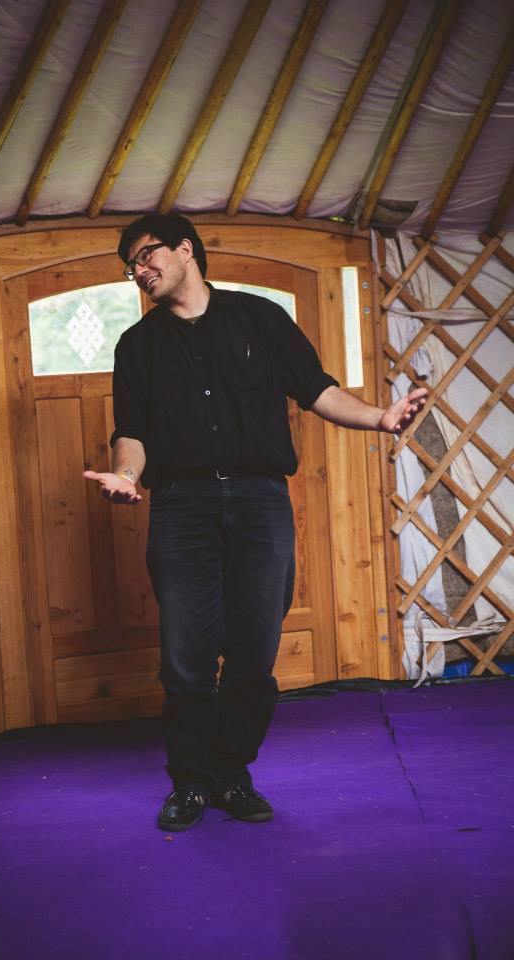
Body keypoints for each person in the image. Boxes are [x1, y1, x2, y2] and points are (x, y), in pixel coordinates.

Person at [84, 213, 426, 832]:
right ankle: (191, 783)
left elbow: (317, 390)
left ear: (185, 249)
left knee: (252, 654)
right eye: (131, 265)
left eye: (146, 255)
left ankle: (231, 772)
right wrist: (127, 475)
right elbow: (130, 432)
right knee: (185, 658)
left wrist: (379, 417)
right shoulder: (137, 345)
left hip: (258, 501)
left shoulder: (260, 318)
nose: (139, 270)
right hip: (182, 507)